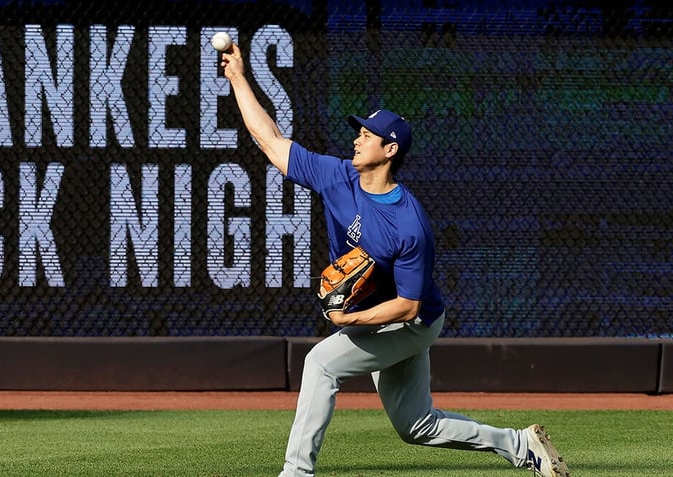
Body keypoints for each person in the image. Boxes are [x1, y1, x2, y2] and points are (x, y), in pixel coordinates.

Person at [220, 43, 570, 477]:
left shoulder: (409, 224)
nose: (357, 137)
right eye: (360, 131)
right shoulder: (338, 176)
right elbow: (270, 141)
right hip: (381, 314)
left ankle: (296, 472)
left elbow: (408, 306)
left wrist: (349, 321)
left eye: (367, 135)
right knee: (417, 426)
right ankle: (520, 445)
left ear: (389, 151)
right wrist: (237, 78)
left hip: (410, 322)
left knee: (320, 364)